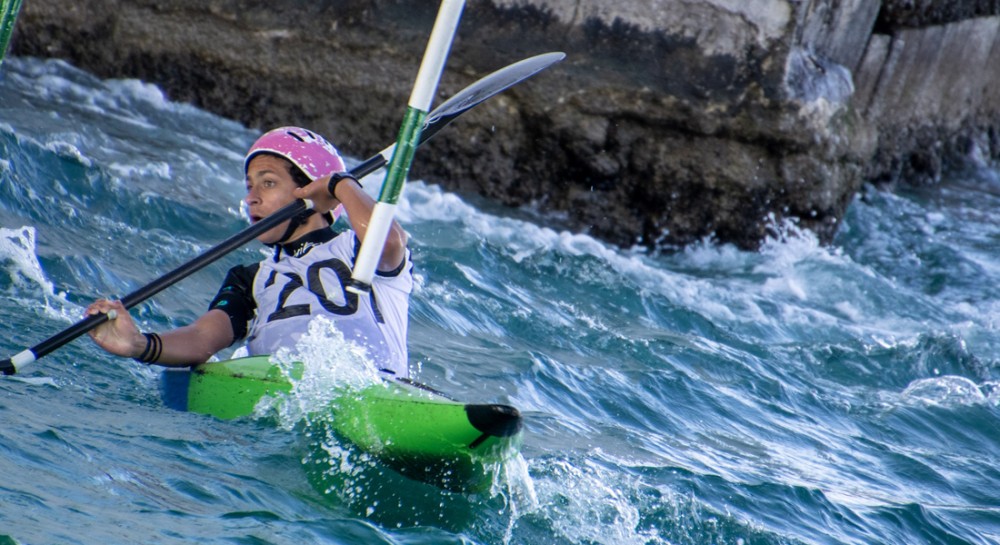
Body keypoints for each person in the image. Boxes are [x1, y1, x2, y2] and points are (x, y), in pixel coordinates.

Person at [85, 127, 413, 377]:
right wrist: (139, 344)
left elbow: (389, 241)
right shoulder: (250, 279)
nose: (251, 198)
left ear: (310, 190)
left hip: (376, 386)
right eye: (249, 186)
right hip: (290, 401)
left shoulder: (358, 248)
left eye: (268, 183)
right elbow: (202, 339)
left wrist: (340, 185)